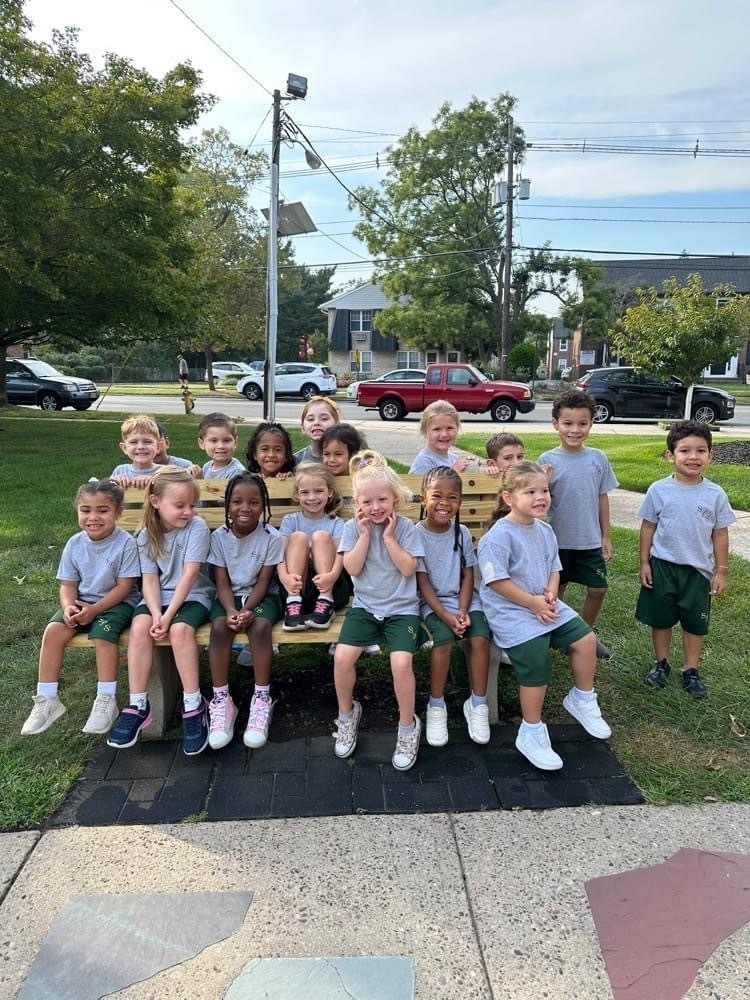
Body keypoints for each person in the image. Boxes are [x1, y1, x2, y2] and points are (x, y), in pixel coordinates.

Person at [478, 462, 612, 770]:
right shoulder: (499, 537)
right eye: (531, 491)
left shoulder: (545, 530)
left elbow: (554, 567)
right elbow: (496, 581)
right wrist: (532, 603)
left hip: (543, 603)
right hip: (511, 609)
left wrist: (550, 594)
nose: (541, 497)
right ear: (508, 498)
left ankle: (582, 697)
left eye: (545, 491)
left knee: (585, 639)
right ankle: (532, 731)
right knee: (537, 661)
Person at [107, 467, 214, 755]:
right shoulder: (144, 535)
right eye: (180, 506)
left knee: (179, 630)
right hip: (157, 597)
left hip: (193, 595)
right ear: (155, 502)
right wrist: (155, 613)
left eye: (192, 505)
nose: (188, 512)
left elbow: (190, 576)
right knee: (140, 628)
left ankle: (194, 704)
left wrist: (167, 617)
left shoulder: (197, 527)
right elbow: (150, 580)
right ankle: (138, 704)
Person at [21, 480, 140, 737]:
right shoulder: (74, 543)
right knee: (53, 631)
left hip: (116, 603)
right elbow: (67, 585)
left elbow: (125, 586)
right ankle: (47, 699)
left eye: (103, 511)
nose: (93, 517)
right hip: (81, 600)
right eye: (85, 510)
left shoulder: (126, 543)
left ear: (118, 513)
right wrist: (68, 608)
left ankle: (106, 699)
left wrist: (96, 609)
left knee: (103, 633)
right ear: (77, 510)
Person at [333, 451, 426, 771]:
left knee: (401, 662)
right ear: (357, 502)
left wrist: (387, 537)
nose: (375, 508)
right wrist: (363, 536)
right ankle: (347, 715)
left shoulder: (406, 528)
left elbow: (407, 568)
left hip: (402, 610)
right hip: (366, 608)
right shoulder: (351, 529)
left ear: (395, 499)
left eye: (382, 500)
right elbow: (352, 568)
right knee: (343, 657)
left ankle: (406, 726)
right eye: (367, 501)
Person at [636, 420, 735, 699]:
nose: (693, 457)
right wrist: (644, 563)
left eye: (701, 451)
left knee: (695, 622)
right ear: (671, 455)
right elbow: (648, 528)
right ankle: (662, 663)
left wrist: (722, 570)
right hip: (662, 566)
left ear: (710, 456)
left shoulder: (715, 494)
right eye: (685, 450)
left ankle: (691, 669)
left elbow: (720, 534)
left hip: (698, 572)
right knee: (662, 619)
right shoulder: (658, 490)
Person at [538, 390, 618, 659]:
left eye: (582, 424)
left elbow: (602, 497)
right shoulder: (546, 461)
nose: (575, 430)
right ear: (555, 424)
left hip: (589, 540)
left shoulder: (598, 458)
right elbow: (536, 501)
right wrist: (544, 482)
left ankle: (586, 634)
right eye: (568, 423)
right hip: (556, 541)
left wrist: (606, 535)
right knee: (556, 591)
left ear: (591, 424)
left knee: (599, 588)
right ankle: (558, 632)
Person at [207, 472, 284, 749]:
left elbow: (264, 582)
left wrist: (248, 609)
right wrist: (229, 610)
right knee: (219, 628)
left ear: (263, 506)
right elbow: (221, 581)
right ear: (227, 505)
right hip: (229, 596)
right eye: (237, 502)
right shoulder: (219, 537)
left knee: (261, 627)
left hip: (263, 597)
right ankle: (221, 700)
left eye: (253, 502)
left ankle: (261, 697)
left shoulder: (271, 537)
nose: (245, 508)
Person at [416, 466, 491, 746]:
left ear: (460, 501)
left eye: (453, 497)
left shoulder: (460, 532)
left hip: (463, 600)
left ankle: (478, 703)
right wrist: (447, 616)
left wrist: (462, 609)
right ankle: (436, 705)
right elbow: (422, 583)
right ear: (424, 499)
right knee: (444, 640)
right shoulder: (416, 534)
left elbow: (468, 574)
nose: (445, 503)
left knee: (481, 638)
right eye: (437, 495)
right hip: (432, 603)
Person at [278, 464, 348, 630]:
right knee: (299, 537)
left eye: (318, 491)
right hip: (294, 588)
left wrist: (331, 576)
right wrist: (284, 577)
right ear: (297, 495)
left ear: (329, 492)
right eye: (305, 492)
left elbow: (342, 553)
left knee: (321, 536)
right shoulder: (290, 520)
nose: (312, 497)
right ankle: (293, 606)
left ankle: (326, 601)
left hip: (330, 584)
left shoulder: (335, 522)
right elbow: (278, 553)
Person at [409, 400, 470, 474]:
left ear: (457, 429)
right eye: (437, 429)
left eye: (449, 428)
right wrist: (453, 473)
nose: (444, 434)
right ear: (425, 432)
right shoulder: (424, 462)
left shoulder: (454, 459)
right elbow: (428, 485)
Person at [110, 414, 162, 488]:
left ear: (158, 447)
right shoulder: (120, 471)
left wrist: (154, 482)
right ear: (124, 448)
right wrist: (114, 482)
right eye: (133, 442)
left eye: (147, 442)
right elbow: (106, 494)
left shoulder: (164, 472)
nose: (141, 447)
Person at [294, 396, 341, 464]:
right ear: (302, 427)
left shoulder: (349, 458)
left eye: (324, 418)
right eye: (311, 419)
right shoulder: (295, 461)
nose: (316, 423)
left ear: (337, 424)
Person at [197, 412, 245, 479]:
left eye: (227, 440)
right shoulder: (207, 466)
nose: (221, 446)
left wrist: (198, 481)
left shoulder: (237, 473)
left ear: (235, 442)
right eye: (214, 441)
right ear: (202, 443)